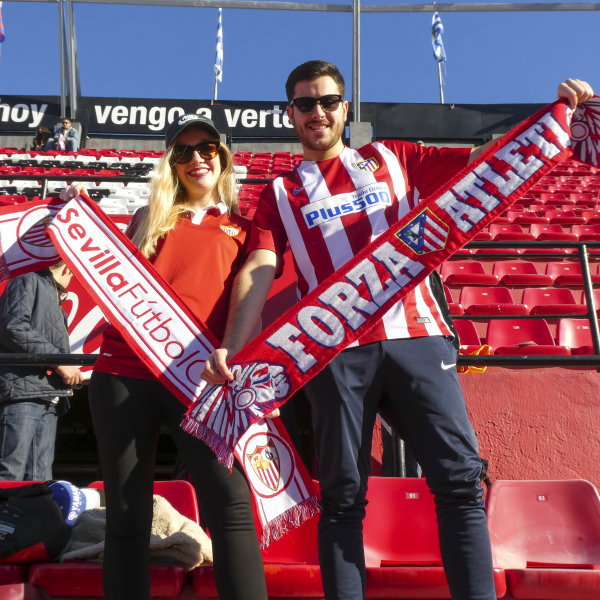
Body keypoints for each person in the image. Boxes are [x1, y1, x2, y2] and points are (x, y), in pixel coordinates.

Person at [202, 62, 594, 600]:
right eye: (304, 104)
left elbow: (489, 162)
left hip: (419, 339)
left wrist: (554, 117)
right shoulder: (278, 193)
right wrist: (232, 343)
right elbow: (259, 269)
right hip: (335, 354)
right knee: (342, 498)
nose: (317, 112)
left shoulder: (396, 157)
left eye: (327, 101)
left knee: (459, 482)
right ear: (289, 113)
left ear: (345, 107)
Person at [60, 114, 268, 600]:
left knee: (232, 505)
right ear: (171, 164)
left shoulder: (246, 228)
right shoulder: (146, 220)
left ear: (224, 155)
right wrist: (78, 217)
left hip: (201, 380)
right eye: (183, 152)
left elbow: (249, 306)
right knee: (128, 515)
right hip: (124, 374)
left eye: (207, 148)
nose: (197, 159)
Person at [0, 261, 82, 481]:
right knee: (10, 472)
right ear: (67, 268)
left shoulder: (46, 291)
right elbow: (13, 326)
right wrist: (58, 363)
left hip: (47, 394)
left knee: (40, 478)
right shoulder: (27, 279)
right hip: (23, 391)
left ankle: (29, 516)